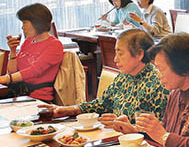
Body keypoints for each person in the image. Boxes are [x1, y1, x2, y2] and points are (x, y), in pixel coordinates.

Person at [40, 29, 168, 120]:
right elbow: (103, 103)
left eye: (120, 53)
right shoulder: (124, 76)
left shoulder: (158, 83)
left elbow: (159, 128)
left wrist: (127, 127)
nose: (115, 59)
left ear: (139, 54)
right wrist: (69, 110)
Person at [0, 3, 63, 102]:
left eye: (25, 23)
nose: (22, 27)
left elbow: (34, 71)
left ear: (37, 22)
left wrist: (2, 79)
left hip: (38, 97)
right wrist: (13, 51)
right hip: (18, 94)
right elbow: (13, 72)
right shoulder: (28, 41)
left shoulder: (54, 45)